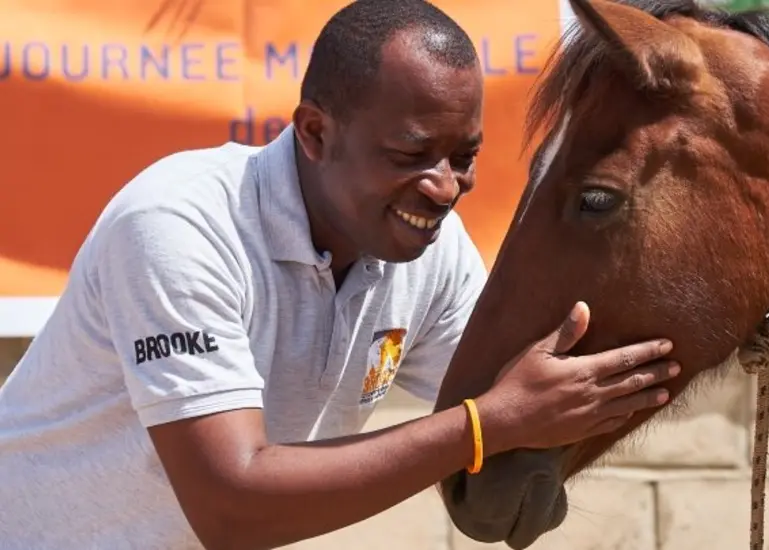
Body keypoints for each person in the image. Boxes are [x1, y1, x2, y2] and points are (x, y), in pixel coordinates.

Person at [0, 1, 680, 548]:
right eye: (412, 153)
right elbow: (231, 505)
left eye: (464, 155)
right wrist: (482, 429)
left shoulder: (428, 249)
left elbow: (519, 390)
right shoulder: (178, 224)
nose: (445, 188)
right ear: (315, 133)